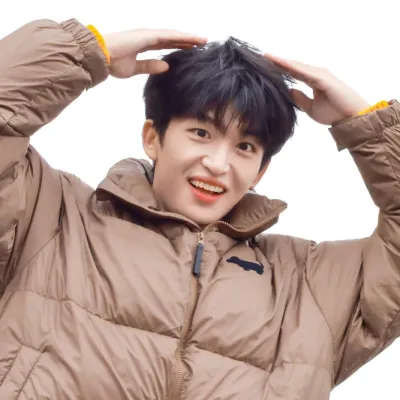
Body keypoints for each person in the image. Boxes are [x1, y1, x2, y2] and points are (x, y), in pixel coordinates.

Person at [0, 17, 398, 400]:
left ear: (261, 170)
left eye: (245, 146)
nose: (218, 164)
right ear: (153, 138)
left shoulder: (309, 288)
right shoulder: (51, 217)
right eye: (201, 132)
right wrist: (84, 53)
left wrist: (367, 124)